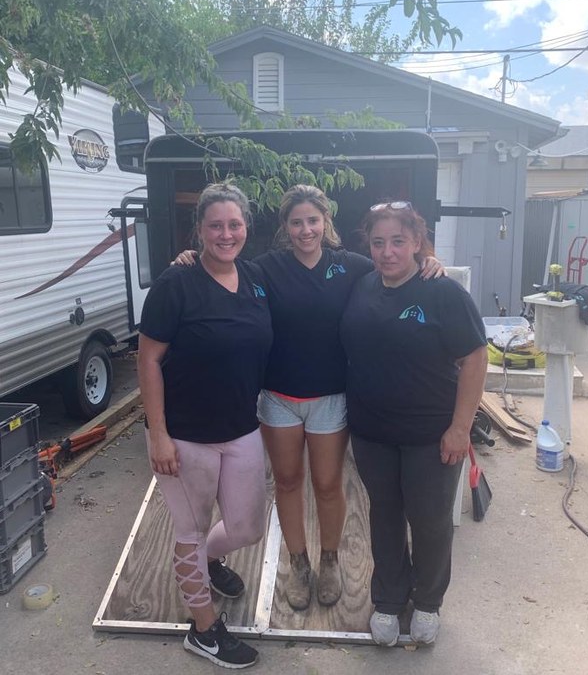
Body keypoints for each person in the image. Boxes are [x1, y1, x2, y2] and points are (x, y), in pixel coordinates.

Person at [174, 184, 443, 612]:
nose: (306, 230)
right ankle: (298, 563)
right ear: (286, 226)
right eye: (297, 222)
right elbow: (219, 267)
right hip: (279, 397)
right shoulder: (264, 269)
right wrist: (189, 259)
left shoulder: (350, 266)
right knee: (287, 482)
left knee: (328, 484)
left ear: (325, 221)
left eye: (313, 220)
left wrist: (427, 259)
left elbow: (394, 268)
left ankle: (329, 560)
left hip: (331, 398)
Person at [340, 201, 488, 646]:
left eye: (398, 242)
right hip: (373, 434)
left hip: (431, 435)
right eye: (378, 242)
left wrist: (460, 428)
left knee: (430, 521)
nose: (387, 252)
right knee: (384, 517)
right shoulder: (362, 285)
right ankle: (388, 599)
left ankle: (427, 600)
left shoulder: (442, 292)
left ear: (417, 242)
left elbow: (474, 358)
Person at [137, 183, 273, 669]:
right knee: (191, 530)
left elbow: (315, 264)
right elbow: (148, 360)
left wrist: (423, 261)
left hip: (241, 428)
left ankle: (211, 563)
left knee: (247, 527)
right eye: (215, 225)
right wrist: (158, 434)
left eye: (234, 224)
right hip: (184, 434)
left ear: (246, 227)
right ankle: (204, 630)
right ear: (199, 230)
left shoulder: (255, 277)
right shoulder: (176, 283)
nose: (226, 234)